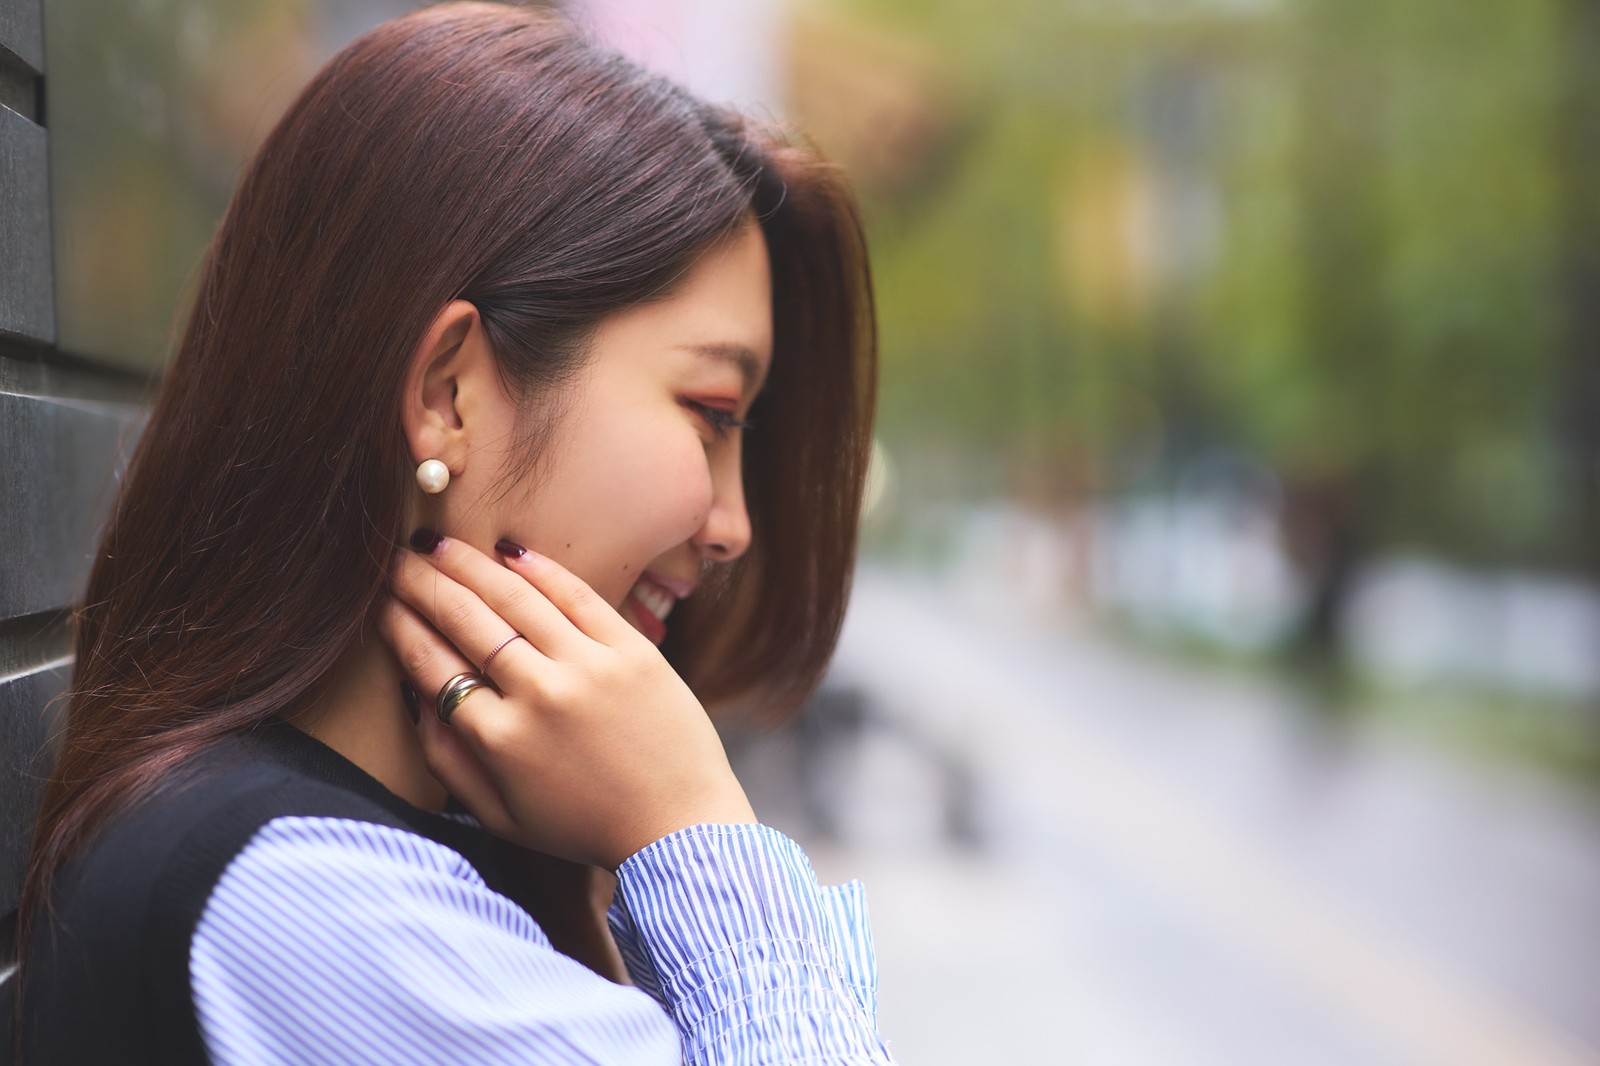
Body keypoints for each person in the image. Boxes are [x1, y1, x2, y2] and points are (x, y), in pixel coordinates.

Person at [16, 3, 889, 1063]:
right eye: (710, 412)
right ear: (448, 394)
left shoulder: (362, 860)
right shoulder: (317, 907)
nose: (734, 526)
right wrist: (692, 828)